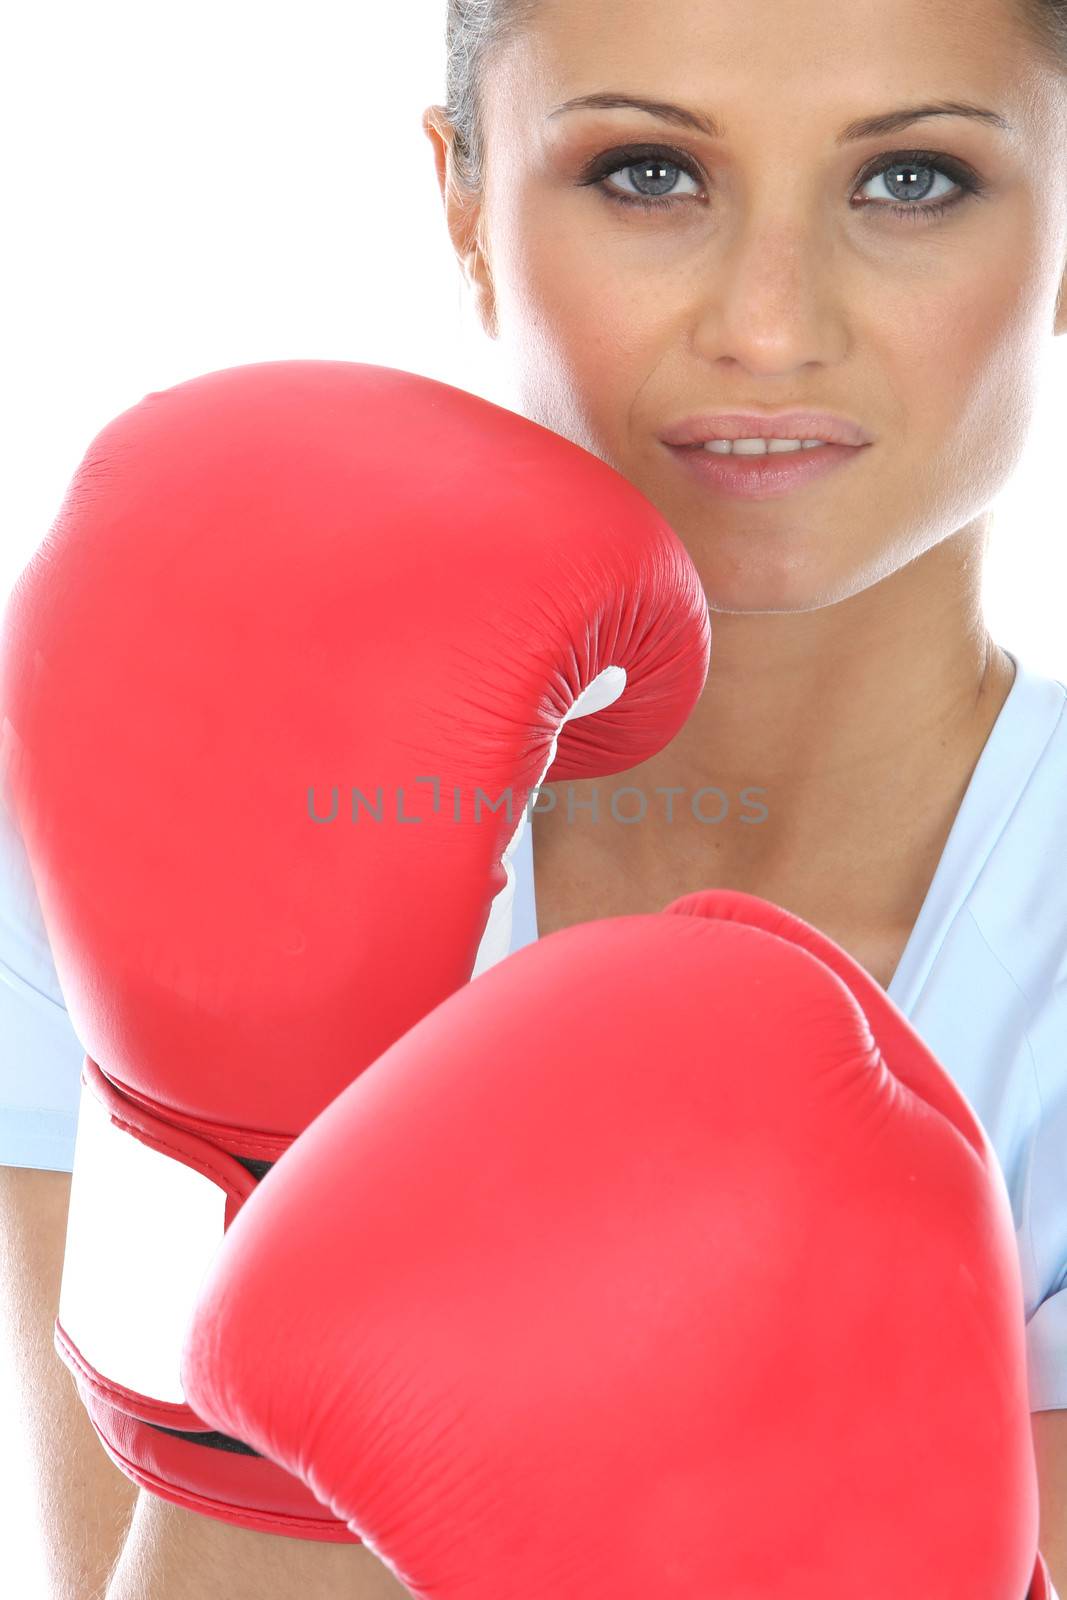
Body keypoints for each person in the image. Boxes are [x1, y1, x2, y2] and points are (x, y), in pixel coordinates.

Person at [1, 0, 1065, 1594]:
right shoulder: (125, 828)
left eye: (910, 181)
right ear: (464, 205)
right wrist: (255, 1141)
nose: (770, 327)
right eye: (648, 171)